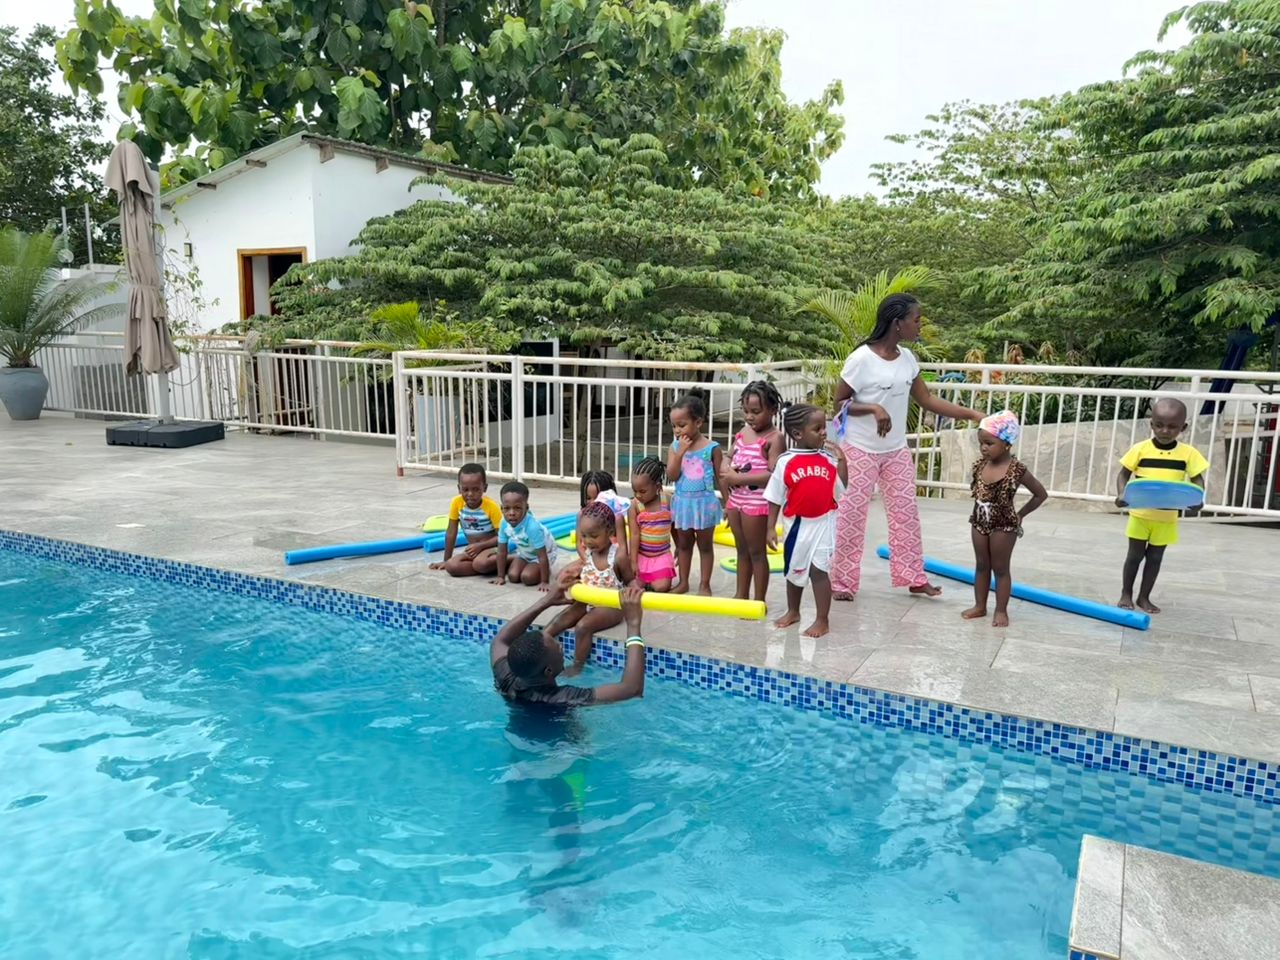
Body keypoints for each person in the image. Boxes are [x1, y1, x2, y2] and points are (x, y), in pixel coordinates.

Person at [830, 293, 982, 601]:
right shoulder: (861, 359)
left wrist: (971, 414)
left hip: (895, 450)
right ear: (897, 323)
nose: (920, 325)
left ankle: (913, 577)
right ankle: (841, 582)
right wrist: (874, 409)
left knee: (906, 516)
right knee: (851, 516)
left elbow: (927, 400)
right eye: (916, 320)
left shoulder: (908, 359)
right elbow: (839, 404)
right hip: (859, 449)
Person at [1114, 397, 1208, 613]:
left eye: (1172, 426)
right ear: (1151, 424)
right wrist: (1121, 494)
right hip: (1140, 514)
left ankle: (1144, 597)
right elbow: (1123, 474)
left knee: (1155, 558)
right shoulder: (1140, 449)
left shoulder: (1188, 454)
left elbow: (1197, 478)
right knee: (1134, 556)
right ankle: (1126, 593)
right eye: (1159, 425)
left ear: (1183, 427)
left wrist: (1197, 498)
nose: (1165, 431)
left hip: (1167, 517)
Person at [491, 581, 649, 706]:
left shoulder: (506, 678)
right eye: (558, 648)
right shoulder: (562, 698)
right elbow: (632, 689)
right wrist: (633, 624)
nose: (561, 646)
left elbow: (500, 640)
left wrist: (546, 601)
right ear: (548, 670)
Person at [764, 403, 848, 638]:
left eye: (824, 427)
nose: (824, 432)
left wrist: (842, 460)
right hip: (797, 526)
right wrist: (770, 527)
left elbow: (842, 488)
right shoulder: (786, 461)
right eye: (817, 428)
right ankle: (793, 611)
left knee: (819, 570)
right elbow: (774, 496)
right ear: (798, 434)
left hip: (824, 523)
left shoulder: (828, 459)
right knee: (795, 569)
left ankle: (822, 619)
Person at [961, 411, 1048, 628]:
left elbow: (1040, 494)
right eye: (981, 443)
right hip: (979, 521)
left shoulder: (1017, 470)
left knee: (1000, 568)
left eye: (989, 443)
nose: (984, 448)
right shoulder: (981, 465)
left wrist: (1021, 515)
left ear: (1007, 443)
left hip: (1004, 525)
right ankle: (980, 606)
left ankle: (1001, 610)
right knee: (982, 564)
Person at [723, 380, 786, 602]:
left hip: (757, 503)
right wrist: (726, 467)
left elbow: (774, 476)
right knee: (741, 551)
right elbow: (729, 455)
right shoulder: (743, 432)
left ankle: (759, 601)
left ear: (773, 410)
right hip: (736, 500)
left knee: (757, 553)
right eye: (746, 411)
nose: (750, 417)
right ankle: (740, 595)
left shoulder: (775, 439)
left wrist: (738, 478)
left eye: (756, 412)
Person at [556, 501, 635, 676]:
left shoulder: (618, 556)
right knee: (562, 618)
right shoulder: (588, 554)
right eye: (584, 536)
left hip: (611, 606)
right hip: (588, 601)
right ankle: (542, 645)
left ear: (610, 532)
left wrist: (635, 591)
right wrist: (572, 578)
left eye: (593, 536)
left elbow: (630, 580)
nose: (588, 541)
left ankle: (577, 666)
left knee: (583, 627)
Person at [666, 390, 723, 595]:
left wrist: (728, 503)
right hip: (683, 504)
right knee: (684, 545)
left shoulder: (712, 448)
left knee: (705, 546)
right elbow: (672, 475)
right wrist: (680, 453)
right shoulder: (674, 447)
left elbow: (721, 477)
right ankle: (683, 582)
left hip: (705, 504)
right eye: (674, 426)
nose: (677, 430)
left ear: (698, 422)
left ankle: (704, 584)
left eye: (682, 425)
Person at [430, 463, 503, 577]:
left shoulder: (492, 507)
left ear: (485, 488)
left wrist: (481, 546)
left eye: (476, 489)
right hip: (473, 550)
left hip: (493, 548)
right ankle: (486, 567)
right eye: (465, 489)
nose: (470, 494)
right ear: (459, 489)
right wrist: (446, 560)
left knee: (481, 563)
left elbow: (503, 537)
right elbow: (451, 532)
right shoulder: (457, 503)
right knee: (451, 566)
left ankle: (507, 561)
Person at [492, 481, 558, 590]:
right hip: (525, 553)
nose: (511, 513)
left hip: (544, 555)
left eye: (517, 508)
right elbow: (501, 551)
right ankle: (527, 565)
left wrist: (545, 581)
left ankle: (545, 570)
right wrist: (500, 576)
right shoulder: (504, 523)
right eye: (507, 508)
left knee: (527, 577)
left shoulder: (532, 527)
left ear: (526, 508)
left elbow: (542, 555)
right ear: (501, 508)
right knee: (513, 576)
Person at [627, 456, 676, 592]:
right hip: (641, 556)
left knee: (662, 587)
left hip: (662, 555)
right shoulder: (635, 506)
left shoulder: (668, 500)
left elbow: (674, 527)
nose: (638, 495)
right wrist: (633, 561)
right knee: (634, 586)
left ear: (657, 487)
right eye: (634, 491)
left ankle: (653, 580)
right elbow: (634, 535)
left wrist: (679, 546)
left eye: (642, 491)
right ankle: (647, 580)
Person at [578, 470, 629, 554]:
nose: (593, 502)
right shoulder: (582, 516)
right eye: (588, 498)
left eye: (598, 497)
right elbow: (579, 547)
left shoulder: (617, 518)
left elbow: (623, 549)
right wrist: (587, 559)